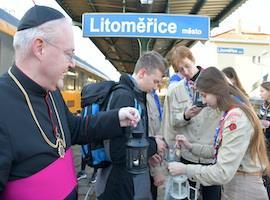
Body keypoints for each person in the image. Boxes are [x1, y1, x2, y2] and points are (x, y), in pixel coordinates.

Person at [0, 5, 141, 200]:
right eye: (69, 53)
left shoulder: (51, 91)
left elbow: (73, 129)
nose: (72, 63)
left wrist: (117, 118)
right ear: (39, 47)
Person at [168, 67, 269, 200]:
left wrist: (185, 169)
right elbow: (221, 150)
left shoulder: (236, 118)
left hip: (243, 189)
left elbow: (222, 172)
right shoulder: (231, 113)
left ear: (216, 91)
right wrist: (190, 146)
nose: (203, 102)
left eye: (204, 95)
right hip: (237, 185)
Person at [95, 51, 167, 200]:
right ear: (142, 73)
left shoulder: (136, 96)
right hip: (118, 185)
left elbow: (132, 139)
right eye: (155, 81)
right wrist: (153, 145)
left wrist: (146, 155)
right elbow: (117, 152)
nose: (156, 87)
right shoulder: (124, 97)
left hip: (127, 182)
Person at [162, 45, 222, 200]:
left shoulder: (215, 83)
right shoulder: (175, 91)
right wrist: (185, 115)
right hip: (188, 156)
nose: (186, 72)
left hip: (210, 156)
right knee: (187, 196)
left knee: (212, 196)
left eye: (187, 66)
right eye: (180, 70)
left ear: (193, 60)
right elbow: (172, 122)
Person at [147, 90, 165, 199]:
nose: (157, 85)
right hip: (148, 165)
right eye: (155, 81)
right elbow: (151, 133)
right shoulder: (145, 98)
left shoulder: (152, 96)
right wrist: (157, 171)